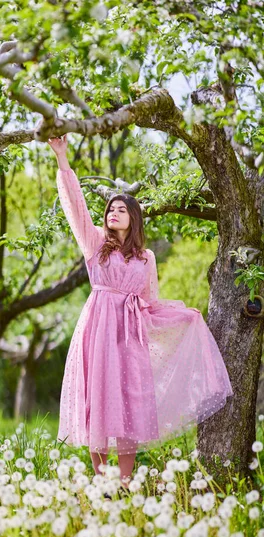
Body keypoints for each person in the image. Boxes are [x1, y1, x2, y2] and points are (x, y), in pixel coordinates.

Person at [47, 134, 233, 491]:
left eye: (120, 209)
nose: (112, 213)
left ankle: (127, 484)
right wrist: (62, 159)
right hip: (99, 330)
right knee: (98, 401)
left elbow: (151, 302)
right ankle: (104, 483)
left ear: (133, 217)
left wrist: (184, 316)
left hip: (129, 335)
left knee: (129, 403)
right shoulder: (96, 243)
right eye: (109, 210)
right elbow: (76, 206)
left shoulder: (145, 258)